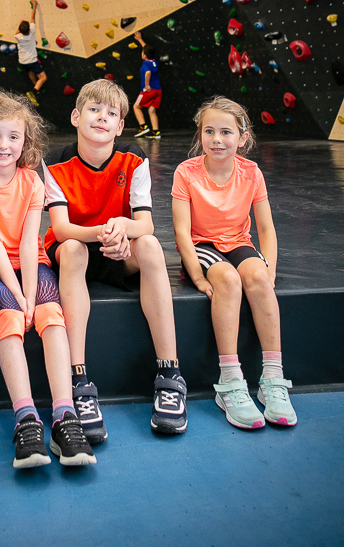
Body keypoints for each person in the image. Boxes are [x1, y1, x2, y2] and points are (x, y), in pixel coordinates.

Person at [43, 79, 188, 444]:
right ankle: (78, 378)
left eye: (111, 114)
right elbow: (61, 230)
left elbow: (146, 224)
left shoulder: (133, 157)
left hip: (120, 247)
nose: (102, 118)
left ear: (120, 126)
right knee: (74, 250)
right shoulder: (56, 163)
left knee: (152, 246)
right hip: (78, 246)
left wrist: (123, 228)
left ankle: (170, 373)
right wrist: (107, 234)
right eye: (94, 110)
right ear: (76, 116)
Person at [0, 92, 95, 468]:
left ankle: (64, 415)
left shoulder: (32, 182)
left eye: (13, 137)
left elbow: (27, 240)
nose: (4, 145)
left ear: (25, 142)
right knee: (10, 316)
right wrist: (19, 297)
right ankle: (26, 418)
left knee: (52, 317)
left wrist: (33, 295)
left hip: (32, 263)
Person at [172, 96, 297, 430]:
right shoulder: (187, 172)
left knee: (256, 276)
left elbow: (266, 230)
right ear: (200, 135)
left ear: (242, 138)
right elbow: (183, 233)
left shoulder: (251, 172)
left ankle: (273, 379)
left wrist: (267, 269)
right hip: (202, 246)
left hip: (238, 243)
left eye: (226, 132)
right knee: (227, 279)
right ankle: (230, 382)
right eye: (209, 131)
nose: (217, 139)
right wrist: (198, 277)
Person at [15, 0, 47, 106]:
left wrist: (20, 25)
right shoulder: (32, 31)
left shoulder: (18, 37)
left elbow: (18, 32)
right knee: (43, 78)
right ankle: (33, 91)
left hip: (22, 61)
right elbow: (33, 17)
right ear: (29, 28)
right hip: (32, 60)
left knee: (30, 72)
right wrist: (34, 5)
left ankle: (35, 84)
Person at [133, 31, 161, 139]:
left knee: (136, 107)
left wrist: (147, 85)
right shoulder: (154, 61)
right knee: (151, 110)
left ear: (144, 55)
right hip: (158, 90)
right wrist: (140, 40)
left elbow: (148, 73)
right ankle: (156, 132)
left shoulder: (145, 64)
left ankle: (143, 126)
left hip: (149, 90)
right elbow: (146, 48)